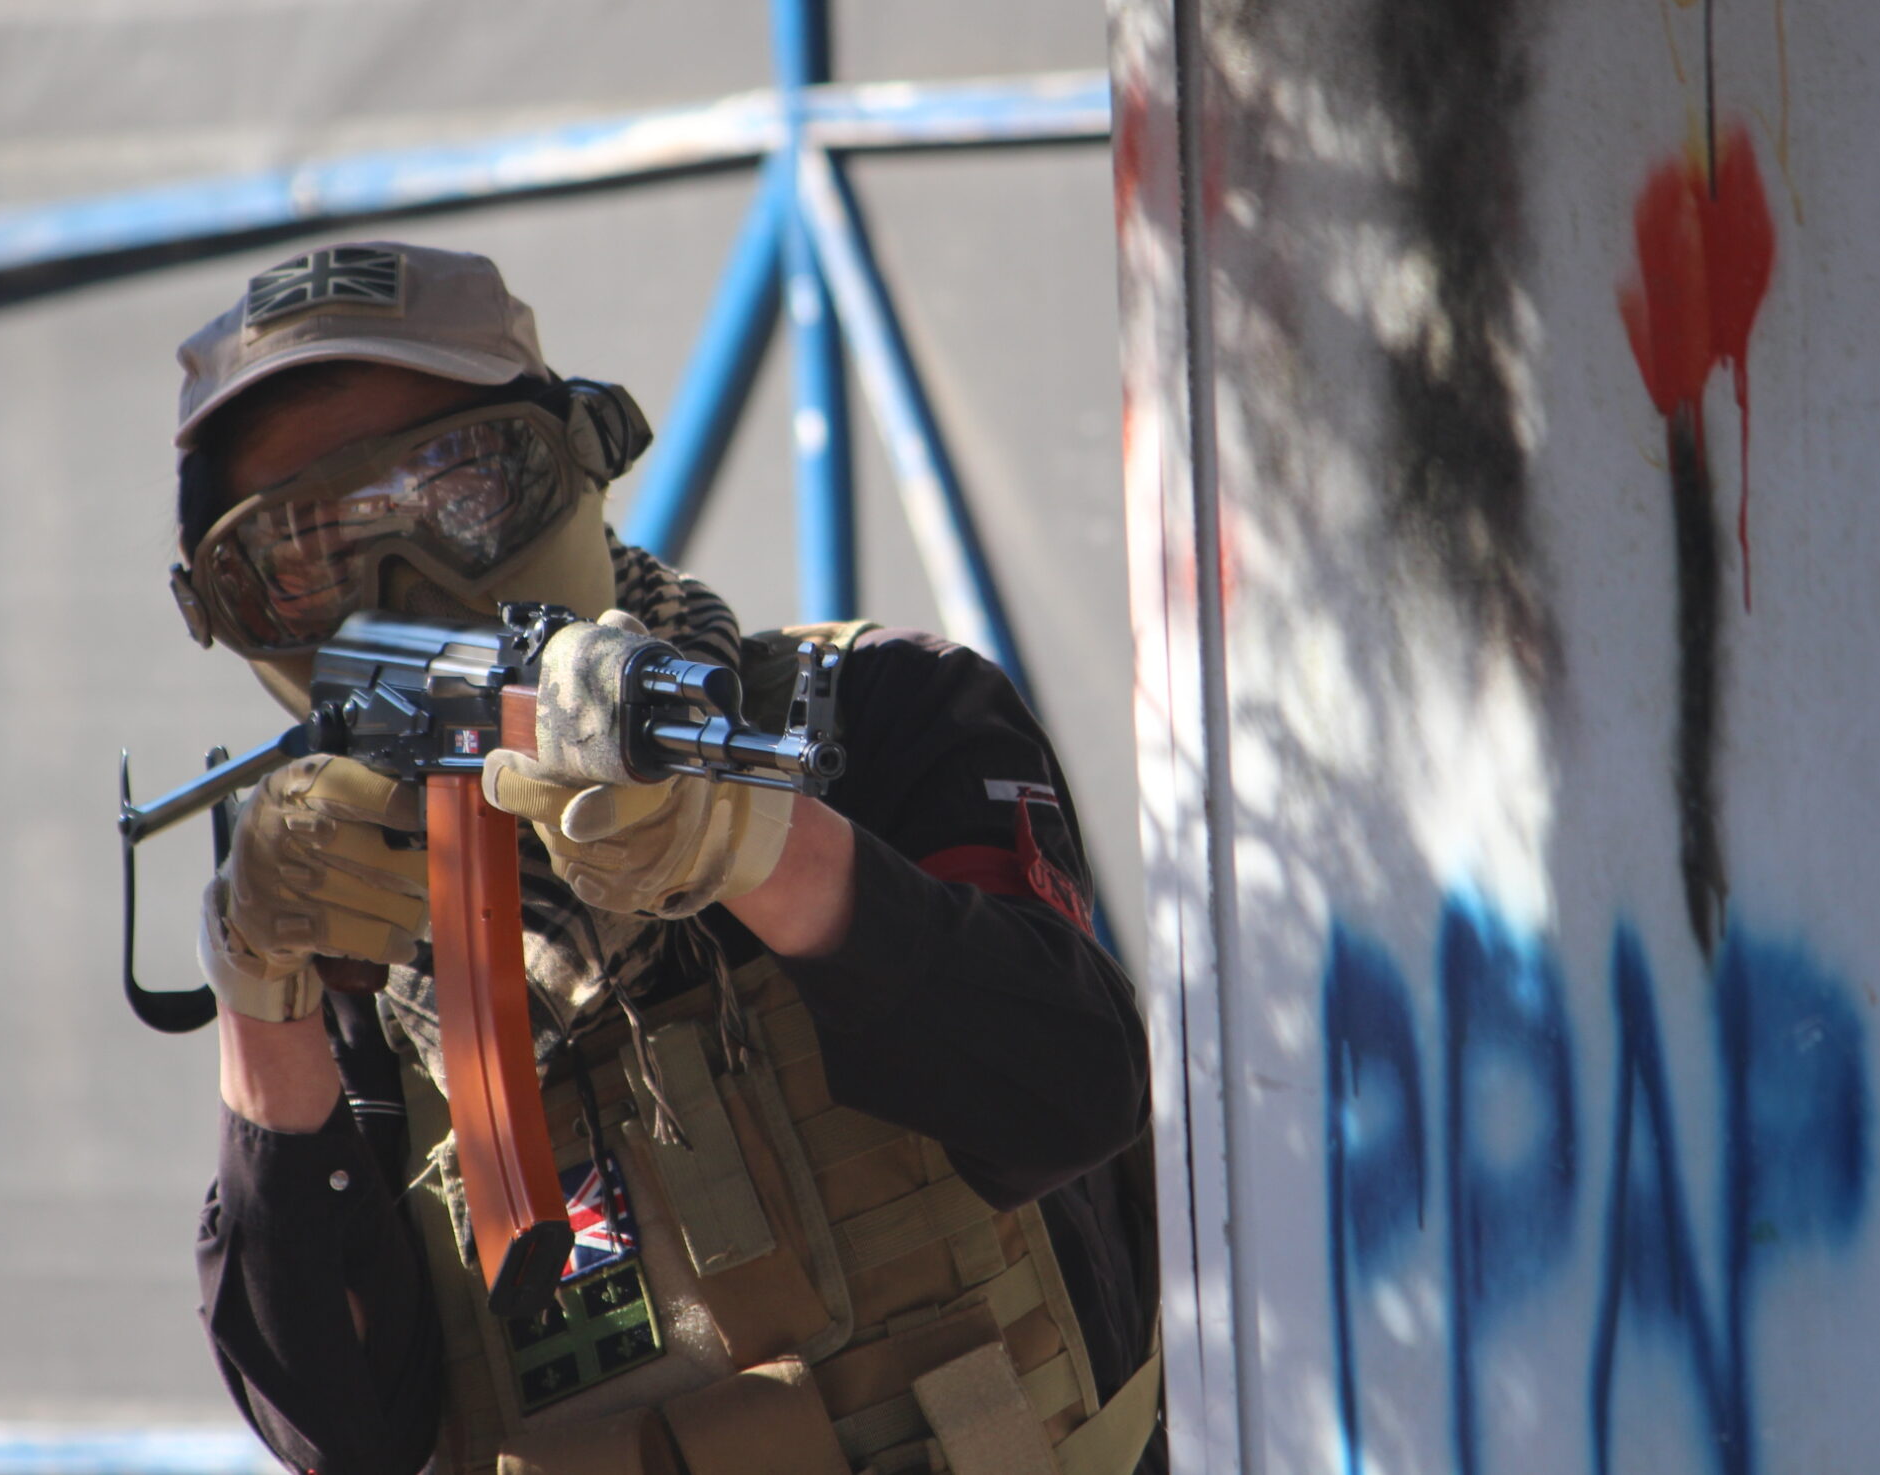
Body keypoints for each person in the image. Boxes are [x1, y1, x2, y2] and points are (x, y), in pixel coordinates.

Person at [172, 242, 1161, 1475]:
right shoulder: (339, 920)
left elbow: (1067, 1096)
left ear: (583, 458)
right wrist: (261, 991)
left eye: (462, 487)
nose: (404, 582)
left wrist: (755, 842)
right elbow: (337, 1428)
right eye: (302, 556)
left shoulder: (876, 713)